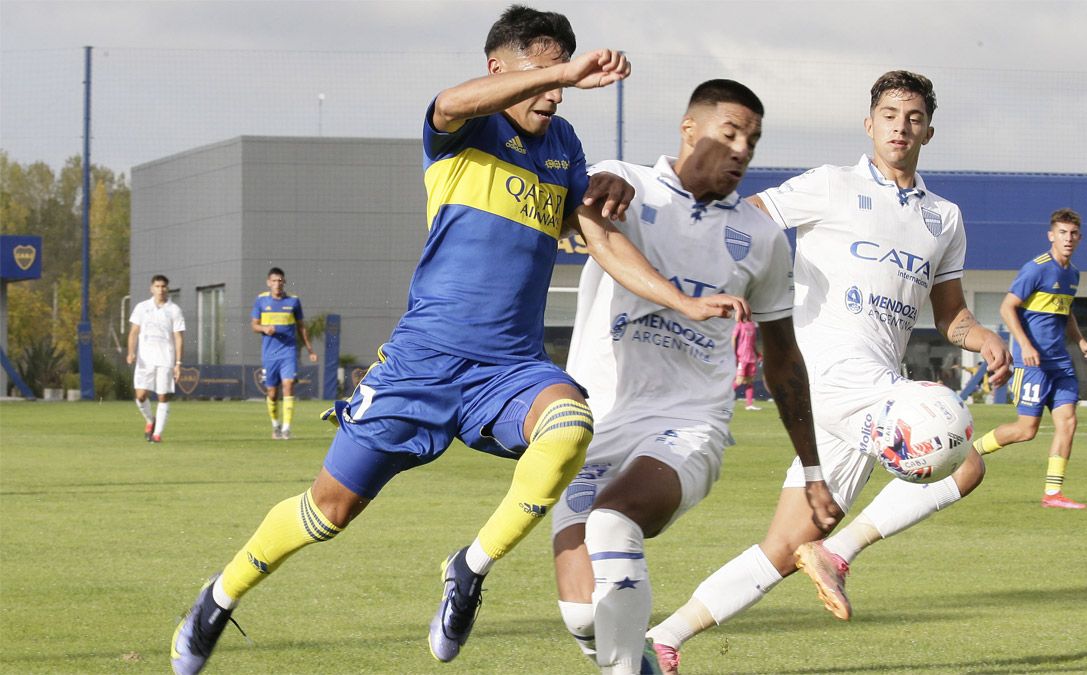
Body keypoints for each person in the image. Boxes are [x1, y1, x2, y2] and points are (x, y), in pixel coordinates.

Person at [170, 6, 745, 674]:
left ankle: (469, 569)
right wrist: (566, 71)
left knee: (568, 425)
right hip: (421, 363)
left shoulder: (562, 149)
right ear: (497, 68)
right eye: (541, 76)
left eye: (563, 78)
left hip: (509, 369)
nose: (556, 93)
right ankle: (219, 595)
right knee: (329, 509)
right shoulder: (463, 128)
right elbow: (448, 100)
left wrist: (681, 299)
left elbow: (600, 238)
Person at [647, 70, 1013, 673]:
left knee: (787, 546)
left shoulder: (943, 218)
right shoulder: (830, 184)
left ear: (928, 131)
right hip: (830, 374)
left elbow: (952, 315)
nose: (901, 124)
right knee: (963, 457)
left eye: (914, 116)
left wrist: (983, 338)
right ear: (870, 125)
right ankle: (839, 555)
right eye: (890, 114)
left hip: (868, 388)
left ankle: (665, 639)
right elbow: (748, 218)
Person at [551, 79, 837, 675]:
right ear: (688, 129)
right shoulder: (620, 181)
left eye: (752, 141)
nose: (741, 150)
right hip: (594, 420)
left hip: (688, 423)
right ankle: (636, 661)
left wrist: (812, 469)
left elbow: (783, 358)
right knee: (584, 615)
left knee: (612, 520)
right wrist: (593, 188)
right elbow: (572, 210)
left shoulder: (760, 238)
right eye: (729, 133)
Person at [973, 209, 1087, 507]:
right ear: (1051, 235)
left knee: (1068, 422)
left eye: (1073, 234)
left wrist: (1080, 341)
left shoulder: (1073, 274)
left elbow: (1065, 313)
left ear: (1080, 238)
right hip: (1034, 364)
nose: (1068, 238)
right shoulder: (1036, 269)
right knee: (1026, 430)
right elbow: (1007, 308)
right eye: (1063, 233)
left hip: (1060, 363)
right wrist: (1025, 346)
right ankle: (971, 452)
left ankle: (1053, 494)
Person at [251, 267, 318, 440]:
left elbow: (301, 327)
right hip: (270, 354)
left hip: (288, 351)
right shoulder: (261, 301)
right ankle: (276, 426)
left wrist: (310, 349)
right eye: (274, 280)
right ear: (268, 283)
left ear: (284, 282)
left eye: (280, 280)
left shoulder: (293, 301)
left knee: (288, 385)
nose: (277, 284)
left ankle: (287, 429)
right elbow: (254, 325)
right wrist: (265, 328)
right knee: (272, 393)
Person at [126, 274, 185, 443]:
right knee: (141, 396)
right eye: (157, 286)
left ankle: (157, 434)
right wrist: (131, 352)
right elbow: (134, 332)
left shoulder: (174, 310)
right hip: (145, 360)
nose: (160, 290)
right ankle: (150, 420)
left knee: (162, 396)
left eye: (163, 286)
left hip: (165, 360)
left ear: (167, 288)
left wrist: (178, 363)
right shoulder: (142, 307)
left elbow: (179, 338)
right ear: (151, 289)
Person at [731, 320, 762, 410]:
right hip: (741, 356)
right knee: (739, 380)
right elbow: (733, 338)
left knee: (749, 381)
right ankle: (721, 399)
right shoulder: (739, 324)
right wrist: (733, 354)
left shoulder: (753, 324)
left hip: (751, 357)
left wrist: (758, 354)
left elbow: (752, 343)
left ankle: (749, 404)